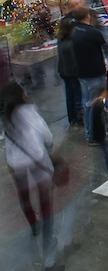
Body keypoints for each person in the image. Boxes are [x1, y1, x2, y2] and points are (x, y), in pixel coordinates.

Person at [1, 81, 57, 269]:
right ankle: (49, 260)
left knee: (24, 199)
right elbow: (47, 137)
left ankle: (33, 225)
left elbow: (7, 144)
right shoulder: (30, 113)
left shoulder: (6, 118)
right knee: (46, 208)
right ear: (22, 95)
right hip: (37, 166)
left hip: (17, 167)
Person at [71, 6, 108, 145]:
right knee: (97, 104)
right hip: (95, 74)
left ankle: (89, 133)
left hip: (82, 74)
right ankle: (97, 135)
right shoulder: (93, 33)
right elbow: (107, 50)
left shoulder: (74, 32)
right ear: (88, 16)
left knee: (87, 104)